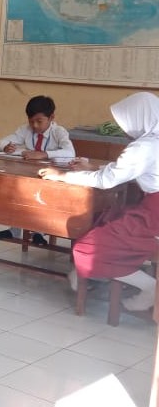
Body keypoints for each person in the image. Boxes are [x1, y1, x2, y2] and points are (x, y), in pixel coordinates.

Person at [39, 91, 159, 312]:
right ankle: (90, 275)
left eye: (126, 123)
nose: (124, 130)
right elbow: (128, 170)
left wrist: (63, 176)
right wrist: (93, 167)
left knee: (89, 248)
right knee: (106, 217)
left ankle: (150, 287)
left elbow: (106, 180)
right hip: (152, 205)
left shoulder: (144, 147)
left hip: (154, 213)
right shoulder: (153, 141)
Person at [0, 95, 76, 245]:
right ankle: (14, 230)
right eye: (31, 121)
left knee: (42, 200)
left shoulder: (59, 132)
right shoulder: (25, 130)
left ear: (51, 118)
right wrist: (5, 146)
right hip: (28, 174)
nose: (35, 126)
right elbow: (2, 141)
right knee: (18, 196)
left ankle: (39, 232)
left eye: (39, 121)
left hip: (51, 177)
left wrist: (44, 154)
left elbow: (70, 152)